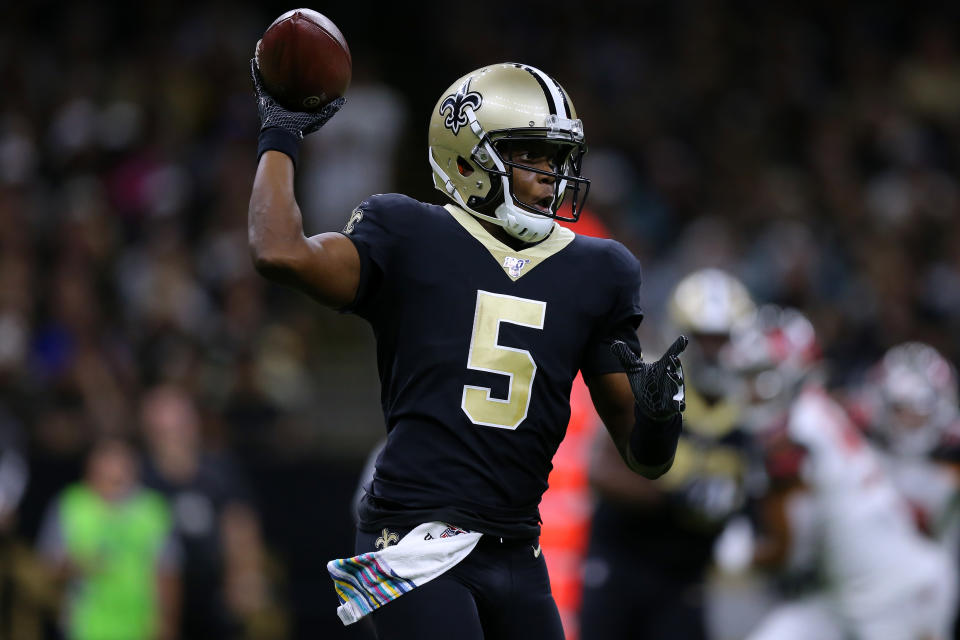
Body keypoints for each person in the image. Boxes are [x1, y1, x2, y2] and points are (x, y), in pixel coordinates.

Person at [248, 58, 688, 639]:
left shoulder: (598, 270)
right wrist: (281, 129)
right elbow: (280, 251)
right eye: (529, 154)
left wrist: (660, 417)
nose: (549, 175)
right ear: (466, 158)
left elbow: (646, 458)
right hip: (414, 537)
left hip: (516, 549)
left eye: (557, 159)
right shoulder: (409, 233)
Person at [723, 307, 957, 640]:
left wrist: (743, 553)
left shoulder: (794, 434)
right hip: (847, 593)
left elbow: (788, 550)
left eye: (757, 375)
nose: (747, 389)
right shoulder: (818, 410)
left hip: (897, 593)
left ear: (789, 370)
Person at [580, 268, 756, 640]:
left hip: (685, 575)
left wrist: (741, 514)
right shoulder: (654, 382)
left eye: (722, 339)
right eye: (702, 338)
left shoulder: (755, 405)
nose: (712, 350)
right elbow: (601, 471)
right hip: (624, 558)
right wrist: (675, 497)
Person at [139, 384, 270, 640]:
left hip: (214, 589)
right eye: (163, 431)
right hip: (154, 592)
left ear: (193, 427)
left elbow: (241, 527)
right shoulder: (140, 476)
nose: (173, 439)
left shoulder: (219, 472)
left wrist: (245, 576)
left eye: (179, 428)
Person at [856, 342, 960, 637]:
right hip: (866, 587)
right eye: (899, 407)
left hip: (932, 596)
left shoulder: (951, 463)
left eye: (920, 408)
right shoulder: (859, 454)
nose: (909, 419)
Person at [37, 437, 180, 640]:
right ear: (91, 467)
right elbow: (46, 570)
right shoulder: (70, 505)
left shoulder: (153, 510)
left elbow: (168, 571)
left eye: (121, 462)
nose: (114, 471)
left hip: (139, 628)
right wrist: (77, 566)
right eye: (106, 462)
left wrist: (166, 625)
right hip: (84, 629)